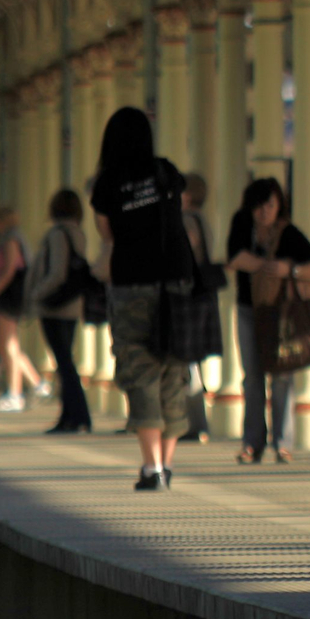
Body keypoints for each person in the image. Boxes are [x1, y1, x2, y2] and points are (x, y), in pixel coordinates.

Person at [89, 107, 196, 491]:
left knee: (140, 369)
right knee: (173, 369)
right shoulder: (166, 171)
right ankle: (165, 465)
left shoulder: (108, 182)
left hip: (132, 283)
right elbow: (176, 216)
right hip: (176, 283)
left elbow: (107, 235)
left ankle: (150, 468)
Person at [227, 177, 310, 463]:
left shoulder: (288, 233)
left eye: (270, 205)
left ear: (279, 205)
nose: (264, 212)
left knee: (283, 375)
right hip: (249, 310)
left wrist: (290, 270)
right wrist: (267, 266)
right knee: (252, 376)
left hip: (281, 315)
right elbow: (235, 258)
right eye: (259, 206)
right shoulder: (242, 224)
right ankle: (252, 443)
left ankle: (282, 444)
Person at [30, 188, 94, 434]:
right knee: (66, 360)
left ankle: (77, 416)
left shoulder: (57, 234)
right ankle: (71, 415)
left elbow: (56, 272)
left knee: (64, 362)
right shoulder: (79, 233)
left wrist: (37, 293)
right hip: (73, 304)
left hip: (54, 306)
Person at [0, 206, 44, 412]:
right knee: (10, 345)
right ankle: (35, 385)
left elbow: (7, 272)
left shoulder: (10, 240)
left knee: (8, 346)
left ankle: (15, 393)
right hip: (10, 297)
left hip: (8, 298)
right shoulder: (13, 238)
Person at [180, 173, 216, 442]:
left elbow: (187, 253)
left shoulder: (187, 220)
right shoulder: (204, 220)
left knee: (188, 358)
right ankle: (196, 422)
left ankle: (196, 422)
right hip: (204, 293)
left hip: (188, 295)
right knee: (194, 359)